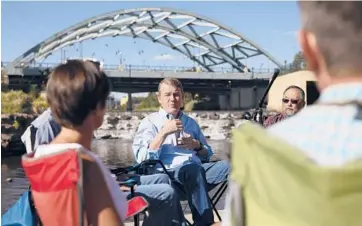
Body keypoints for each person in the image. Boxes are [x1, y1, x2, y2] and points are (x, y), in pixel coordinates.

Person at [223, 1, 362, 225]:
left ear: (307, 47)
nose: (289, 104)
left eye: (293, 101)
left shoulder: (257, 156)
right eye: (285, 100)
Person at [26, 60, 185, 226]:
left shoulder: (41, 156)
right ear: (97, 108)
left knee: (160, 181)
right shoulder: (86, 167)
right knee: (166, 193)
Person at [133, 77, 230, 226]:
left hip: (198, 174)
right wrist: (163, 133)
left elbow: (207, 154)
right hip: (169, 177)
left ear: (182, 98)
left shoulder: (190, 123)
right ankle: (204, 223)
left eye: (177, 94)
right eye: (167, 95)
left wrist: (196, 145)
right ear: (159, 98)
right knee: (192, 169)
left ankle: (244, 215)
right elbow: (141, 158)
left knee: (236, 165)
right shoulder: (150, 122)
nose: (173, 99)